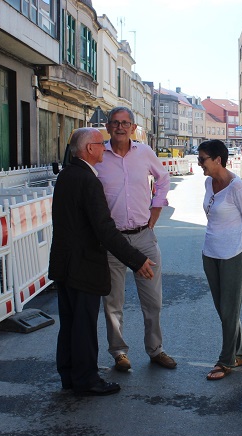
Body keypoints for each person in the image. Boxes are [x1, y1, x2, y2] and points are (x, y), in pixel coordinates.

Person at [49, 127, 156, 396]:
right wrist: (136, 260)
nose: (104, 147)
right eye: (100, 143)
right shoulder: (88, 181)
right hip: (83, 266)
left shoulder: (67, 175)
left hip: (65, 265)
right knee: (83, 326)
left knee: (71, 324)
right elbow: (105, 230)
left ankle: (69, 375)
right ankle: (87, 379)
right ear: (89, 149)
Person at [95, 107, 176, 372]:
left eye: (125, 123)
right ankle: (119, 353)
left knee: (153, 301)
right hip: (113, 242)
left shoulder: (144, 153)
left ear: (132, 127)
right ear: (108, 127)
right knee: (112, 302)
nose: (120, 127)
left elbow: (163, 179)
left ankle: (156, 350)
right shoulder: (99, 156)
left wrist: (155, 213)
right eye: (115, 123)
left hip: (143, 237)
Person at [197, 139, 242, 380]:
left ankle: (226, 361)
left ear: (218, 160)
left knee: (229, 309)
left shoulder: (237, 188)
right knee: (223, 309)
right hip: (210, 252)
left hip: (235, 254)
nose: (199, 163)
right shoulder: (208, 182)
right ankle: (241, 352)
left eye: (203, 159)